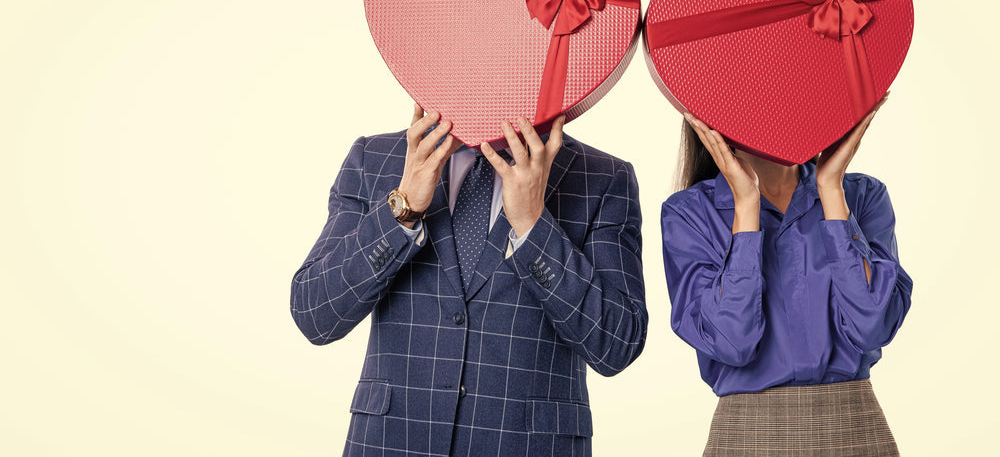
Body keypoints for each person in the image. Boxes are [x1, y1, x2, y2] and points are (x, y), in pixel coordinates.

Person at [291, 104, 647, 456]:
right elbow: (315, 314)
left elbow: (617, 345)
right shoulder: (374, 158)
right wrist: (402, 211)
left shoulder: (602, 176)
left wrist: (533, 227)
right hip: (390, 442)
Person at [661, 97, 912, 456]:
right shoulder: (689, 213)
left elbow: (872, 325)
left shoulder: (863, 196)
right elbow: (733, 343)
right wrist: (746, 206)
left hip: (855, 429)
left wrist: (831, 190)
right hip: (747, 435)